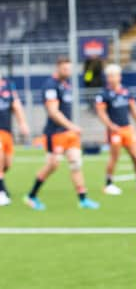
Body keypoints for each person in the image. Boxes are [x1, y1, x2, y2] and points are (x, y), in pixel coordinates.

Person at [23, 56, 100, 210]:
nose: (68, 71)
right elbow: (53, 112)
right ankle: (31, 196)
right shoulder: (51, 86)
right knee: (52, 165)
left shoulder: (66, 84)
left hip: (68, 134)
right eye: (65, 69)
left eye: (70, 68)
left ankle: (83, 199)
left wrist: (71, 129)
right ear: (57, 68)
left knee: (76, 163)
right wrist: (72, 126)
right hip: (55, 133)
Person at [95, 64, 136, 195]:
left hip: (127, 129)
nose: (112, 78)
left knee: (135, 155)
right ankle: (108, 184)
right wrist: (110, 125)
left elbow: (133, 109)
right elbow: (101, 113)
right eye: (109, 76)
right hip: (114, 131)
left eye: (114, 75)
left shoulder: (126, 91)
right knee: (114, 157)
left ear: (119, 76)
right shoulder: (103, 94)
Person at [0, 75, 30, 206]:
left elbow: (16, 105)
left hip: (6, 131)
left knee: (7, 164)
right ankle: (2, 192)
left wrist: (22, 123)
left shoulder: (8, 85)